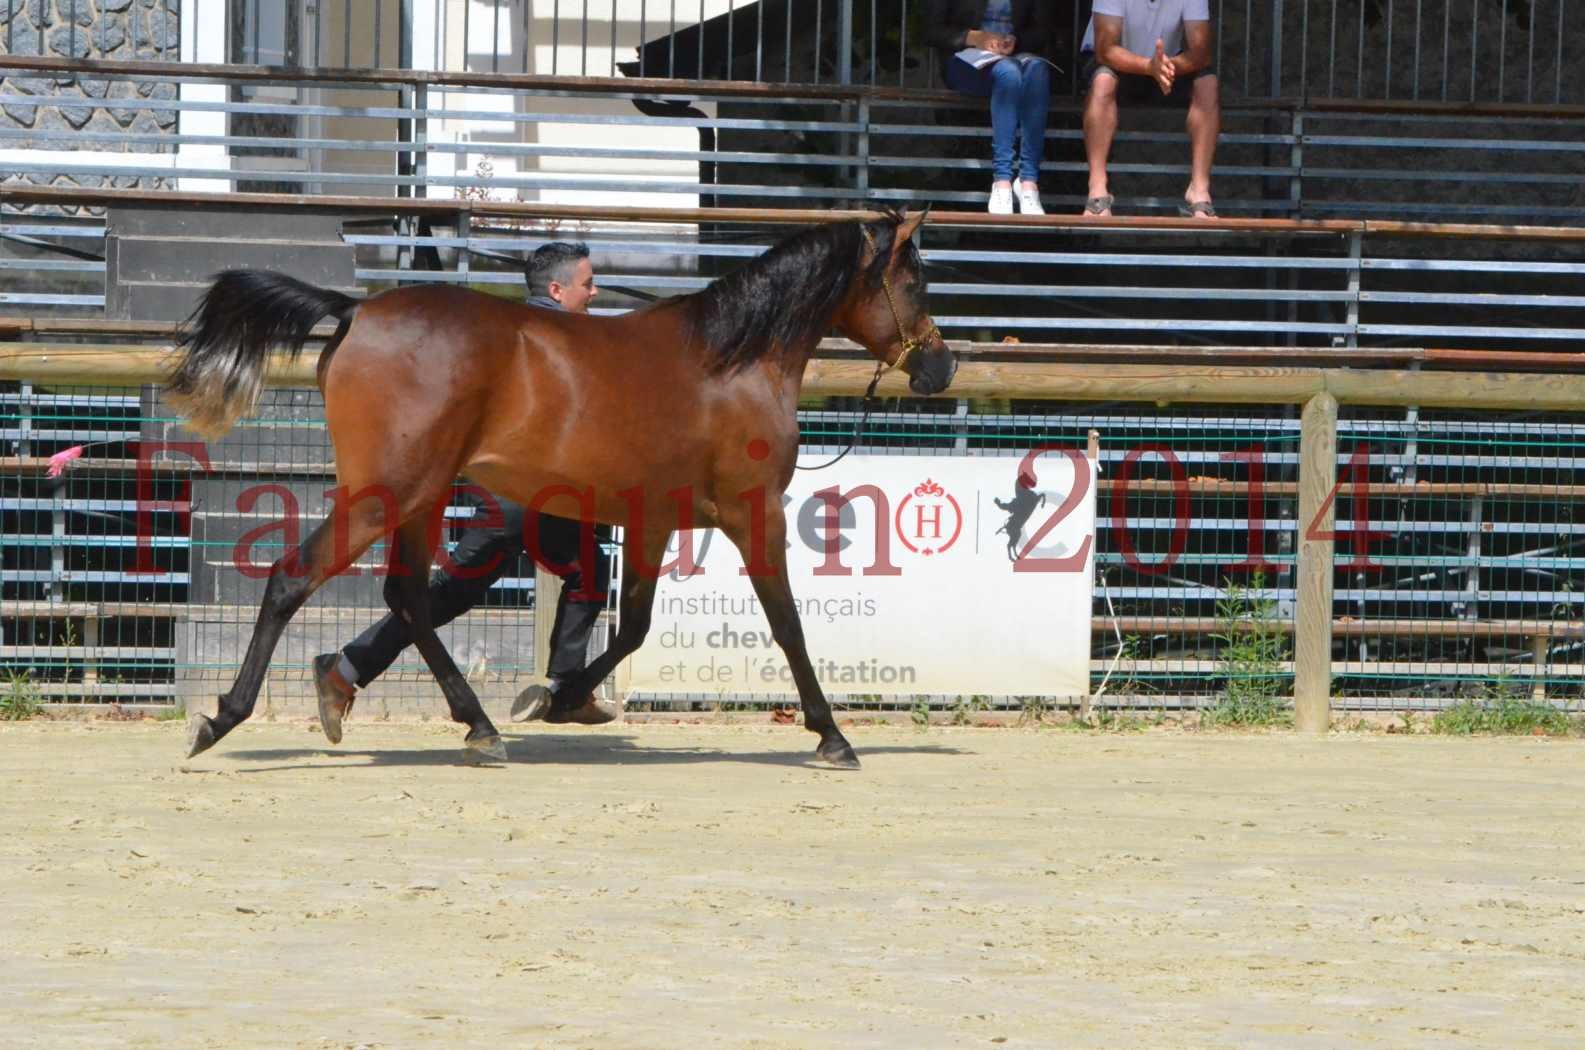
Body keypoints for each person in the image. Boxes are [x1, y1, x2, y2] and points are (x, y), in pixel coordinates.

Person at [312, 242, 615, 736]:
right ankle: (565, 687)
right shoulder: (565, 336)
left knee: (580, 569)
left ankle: (567, 685)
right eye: (588, 283)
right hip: (519, 495)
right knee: (457, 593)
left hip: (518, 492)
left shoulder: (511, 329)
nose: (595, 292)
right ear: (557, 290)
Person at [1079, 0, 1221, 218]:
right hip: (1119, 63)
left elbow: (1201, 52)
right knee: (1103, 81)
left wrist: (1162, 67)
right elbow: (1105, 50)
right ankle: (1097, 189)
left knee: (1208, 83)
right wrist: (1149, 66)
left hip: (1166, 65)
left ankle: (1199, 190)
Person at [926, 0, 1056, 215]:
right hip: (966, 57)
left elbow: (1042, 31)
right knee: (1009, 73)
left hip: (1013, 53)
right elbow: (932, 30)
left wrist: (1015, 41)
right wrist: (975, 37)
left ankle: (1028, 182)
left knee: (1038, 70)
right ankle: (1002, 181)